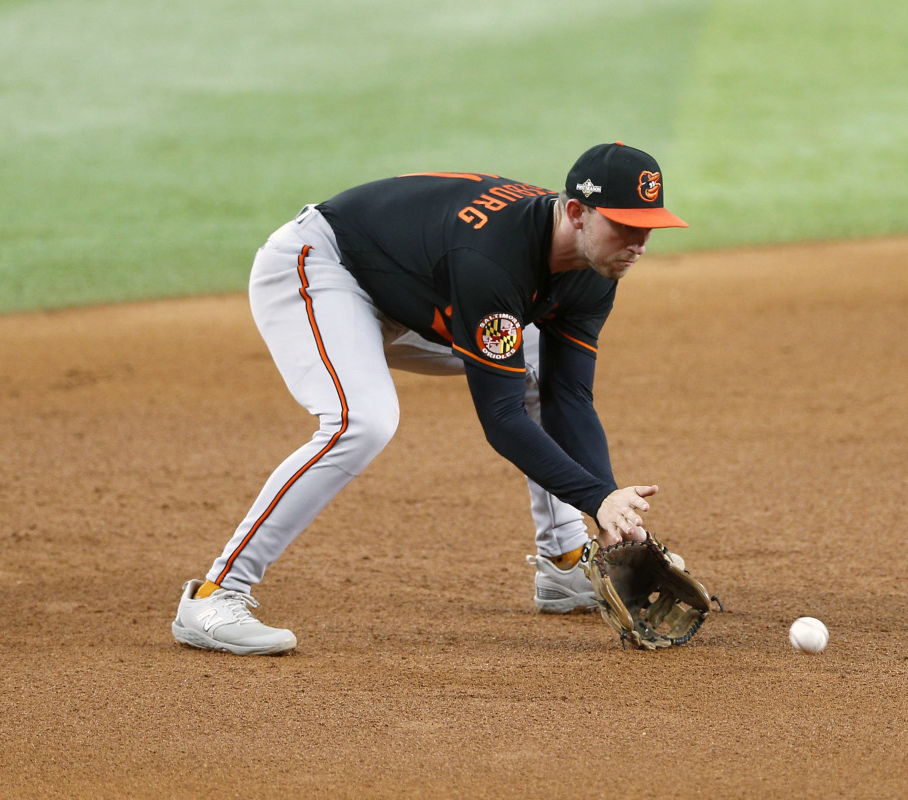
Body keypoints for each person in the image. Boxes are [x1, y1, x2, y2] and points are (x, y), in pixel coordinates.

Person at [171, 142, 688, 655]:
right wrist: (595, 497)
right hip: (325, 267)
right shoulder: (493, 259)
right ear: (577, 212)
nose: (639, 243)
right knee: (363, 421)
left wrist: (607, 510)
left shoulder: (594, 269)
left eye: (649, 227)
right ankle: (216, 595)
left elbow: (569, 396)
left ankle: (565, 561)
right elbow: (502, 418)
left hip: (418, 293)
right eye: (624, 224)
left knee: (534, 366)